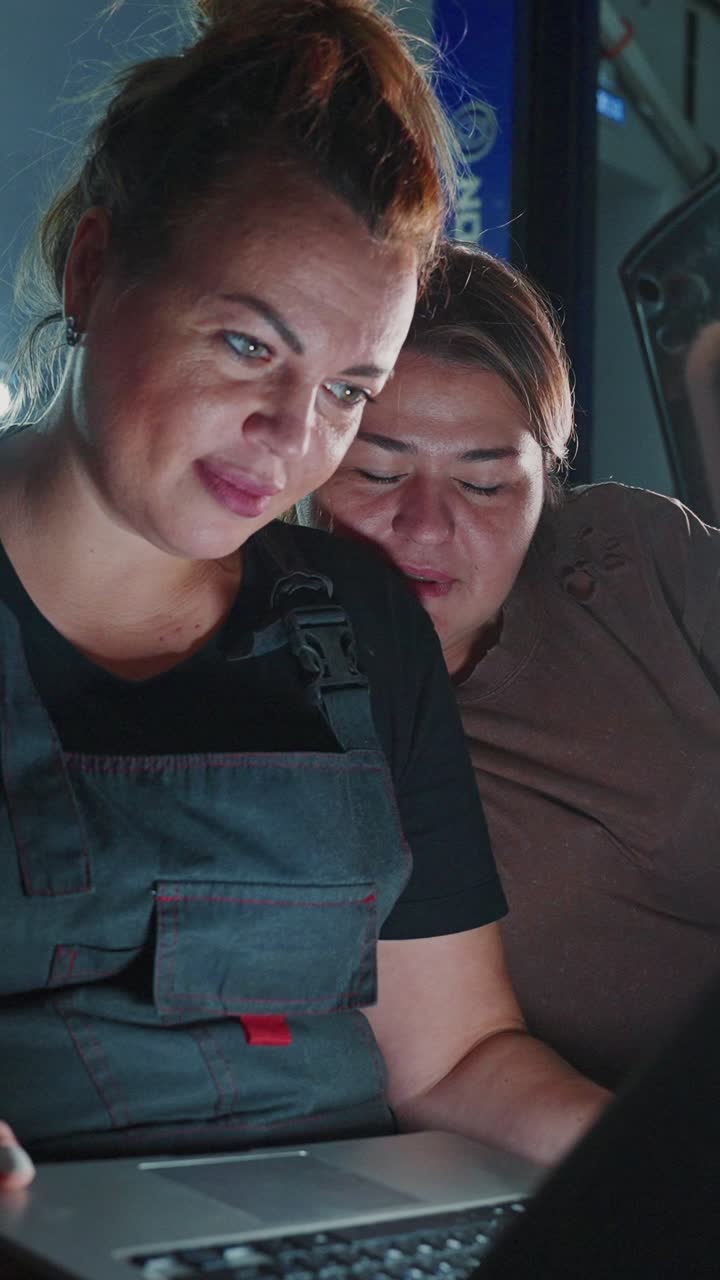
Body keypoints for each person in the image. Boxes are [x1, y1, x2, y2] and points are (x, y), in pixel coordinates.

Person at [0, 1, 610, 1198]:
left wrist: (672, 1171)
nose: (291, 436)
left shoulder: (362, 625)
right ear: (93, 268)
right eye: (245, 346)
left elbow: (454, 1057)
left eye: (346, 389)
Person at [306, 239, 720, 1092]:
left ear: (547, 477)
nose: (425, 526)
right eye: (378, 472)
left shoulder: (627, 561)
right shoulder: (298, 712)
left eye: (486, 486)